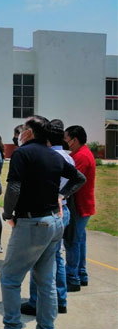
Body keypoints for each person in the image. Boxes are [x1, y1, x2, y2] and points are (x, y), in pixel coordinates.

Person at [0, 115, 86, 329]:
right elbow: (79, 179)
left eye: (23, 128)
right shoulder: (55, 155)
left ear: (29, 132)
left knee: (10, 278)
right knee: (46, 281)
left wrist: (8, 213)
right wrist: (62, 196)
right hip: (53, 222)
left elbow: (14, 187)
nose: (20, 132)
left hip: (32, 223)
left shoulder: (22, 153)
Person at [21, 119, 74, 316]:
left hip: (47, 211)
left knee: (39, 259)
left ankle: (36, 302)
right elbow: (77, 180)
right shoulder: (67, 157)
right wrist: (63, 196)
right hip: (63, 208)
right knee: (56, 258)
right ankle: (60, 299)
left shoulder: (48, 156)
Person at [64, 125, 96, 292]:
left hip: (79, 206)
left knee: (72, 242)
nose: (65, 142)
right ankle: (81, 274)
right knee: (79, 241)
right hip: (82, 205)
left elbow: (74, 181)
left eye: (66, 139)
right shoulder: (80, 153)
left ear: (74, 140)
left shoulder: (81, 156)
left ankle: (73, 278)